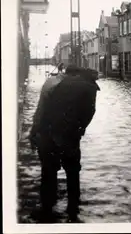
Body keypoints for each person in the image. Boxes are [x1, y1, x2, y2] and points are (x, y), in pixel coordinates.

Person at [29, 65, 100, 222]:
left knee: (48, 172)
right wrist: (78, 130)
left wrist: (33, 132)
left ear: (64, 72)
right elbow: (89, 112)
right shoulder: (86, 86)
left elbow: (41, 110)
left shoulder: (51, 83)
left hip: (48, 133)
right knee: (72, 172)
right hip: (70, 136)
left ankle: (48, 209)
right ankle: (73, 210)